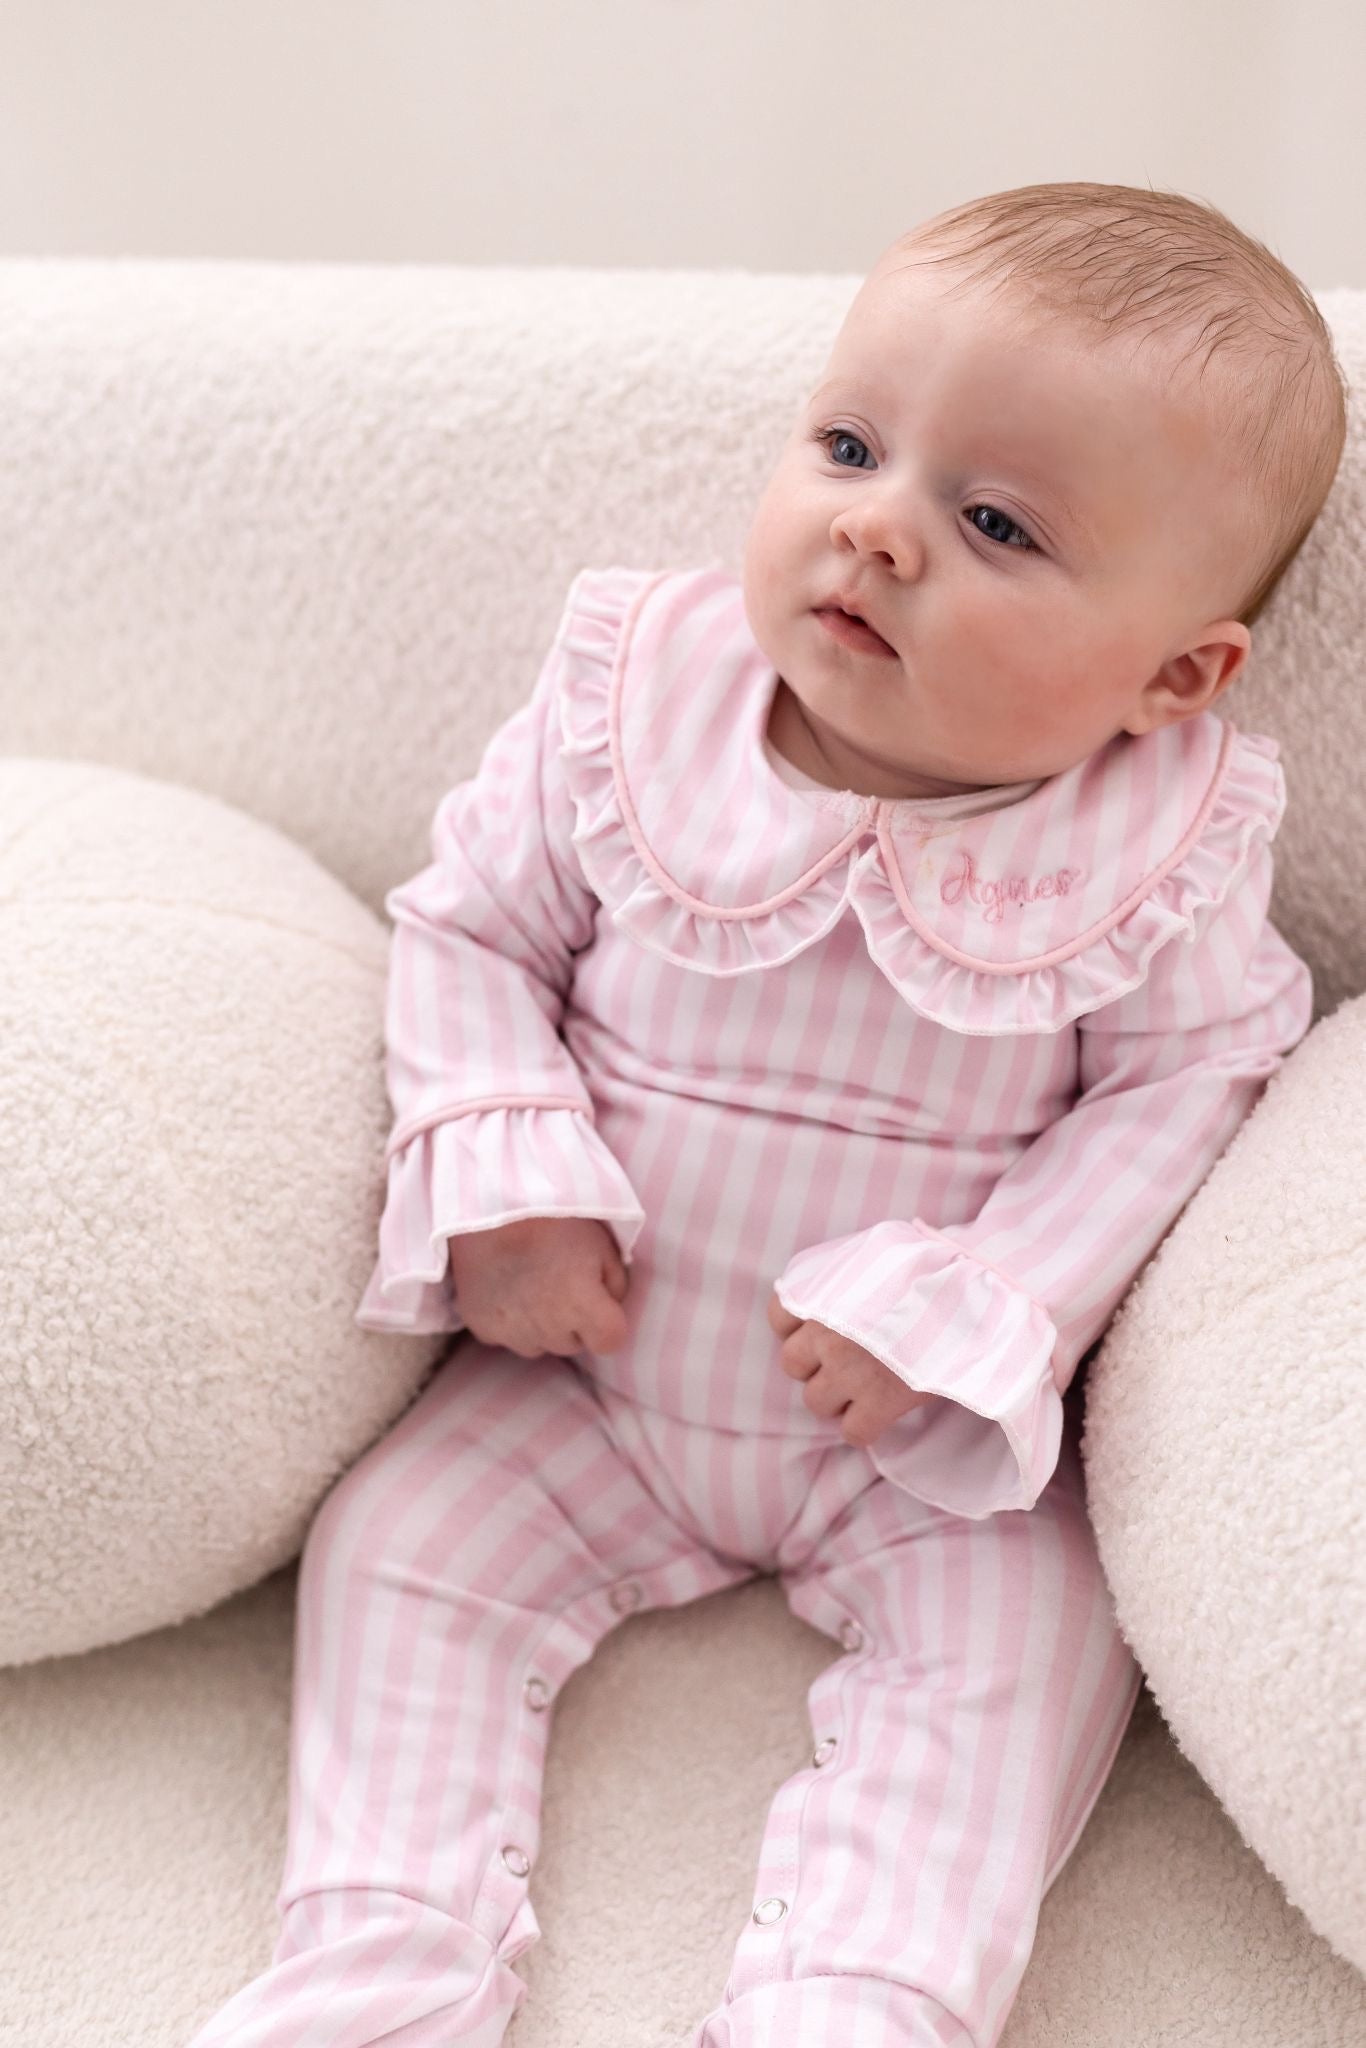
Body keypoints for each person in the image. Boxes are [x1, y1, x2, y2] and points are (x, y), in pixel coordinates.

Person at [186, 182, 1344, 2047]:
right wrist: (507, 1169)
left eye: (994, 524)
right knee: (397, 1544)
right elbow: (468, 933)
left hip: (913, 1449)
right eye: (850, 447)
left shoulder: (1155, 846)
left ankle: (859, 1992)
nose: (876, 528)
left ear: (1172, 675)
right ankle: (384, 1954)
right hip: (590, 1370)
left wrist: (982, 1303)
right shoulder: (636, 705)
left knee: (1034, 1647)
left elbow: (1182, 1084)